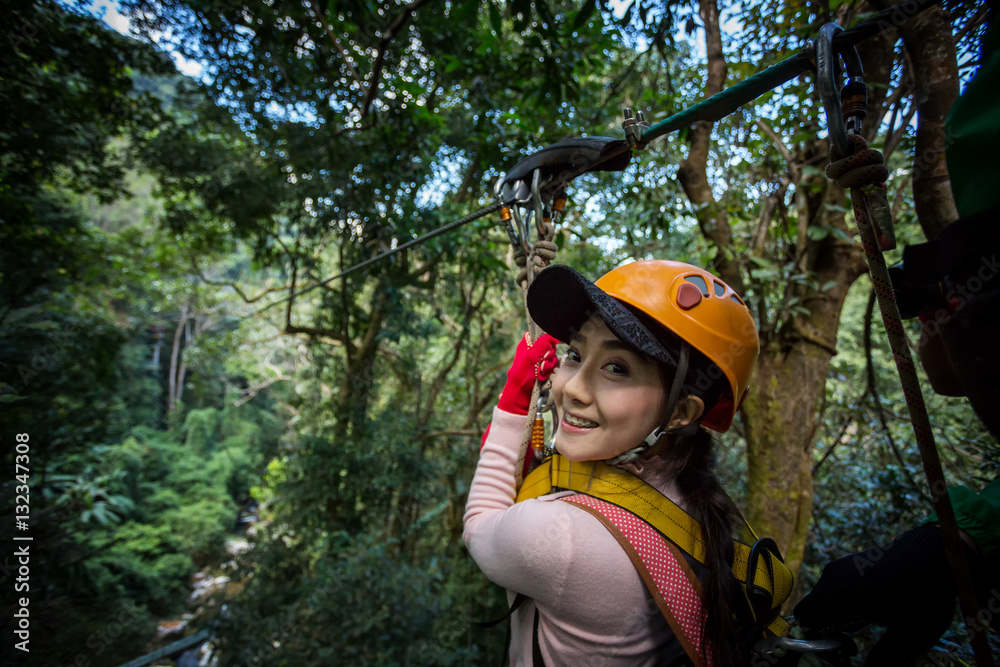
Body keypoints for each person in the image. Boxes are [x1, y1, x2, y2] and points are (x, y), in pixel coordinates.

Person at [464, 259, 784, 667]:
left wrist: (513, 403)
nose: (573, 389)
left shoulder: (555, 538)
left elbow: (478, 526)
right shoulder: (694, 497)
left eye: (616, 368)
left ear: (681, 411)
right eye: (576, 354)